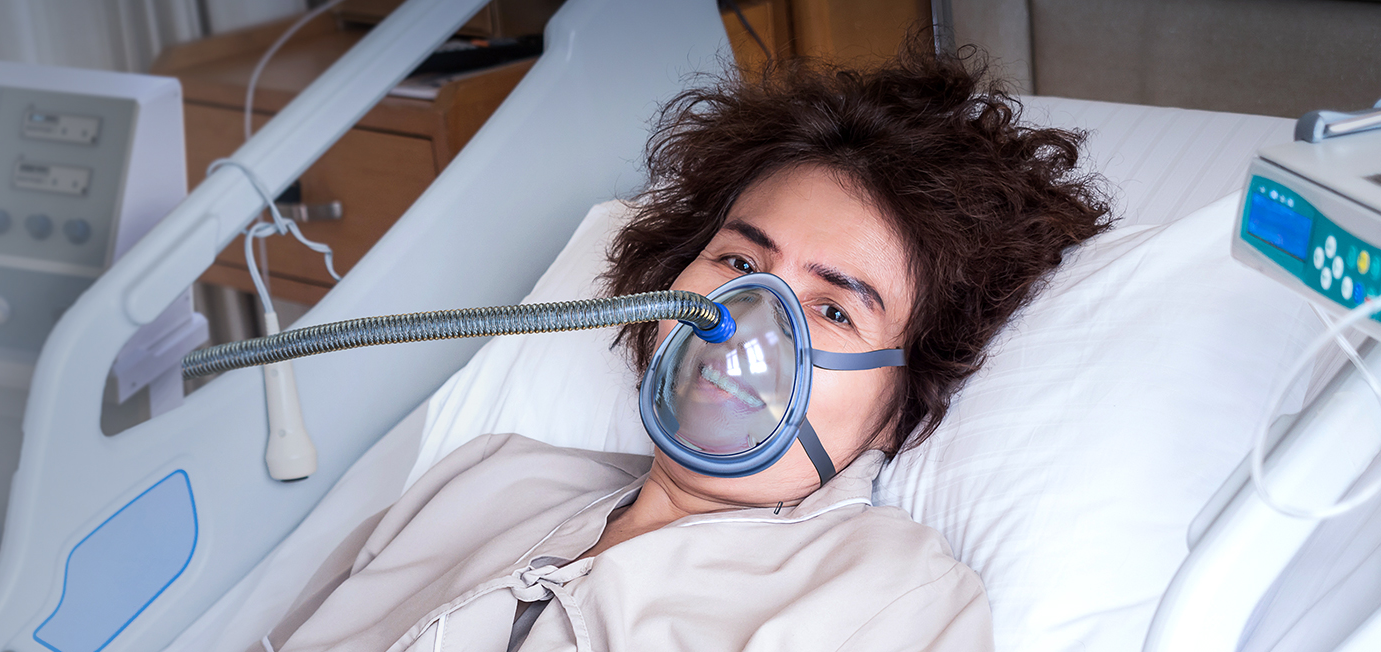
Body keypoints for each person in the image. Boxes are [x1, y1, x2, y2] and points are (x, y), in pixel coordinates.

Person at [255, 47, 1111, 652]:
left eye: (833, 309)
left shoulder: (889, 601)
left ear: (900, 400)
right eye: (737, 263)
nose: (749, 319)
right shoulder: (488, 480)